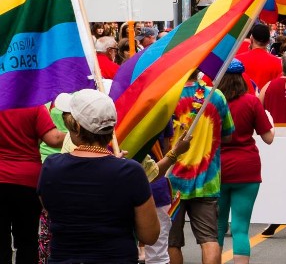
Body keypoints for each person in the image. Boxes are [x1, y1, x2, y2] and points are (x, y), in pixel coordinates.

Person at [37, 89, 160, 263]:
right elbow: (149, 235)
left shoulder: (52, 167)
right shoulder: (130, 173)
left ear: (77, 127)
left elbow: (51, 208)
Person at [168, 70, 235, 264]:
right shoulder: (216, 95)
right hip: (207, 180)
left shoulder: (168, 97)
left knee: (171, 242)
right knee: (209, 239)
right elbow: (228, 134)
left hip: (171, 182)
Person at [217, 61, 274, 264]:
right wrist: (270, 123)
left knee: (218, 227)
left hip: (219, 169)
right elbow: (268, 138)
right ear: (242, 78)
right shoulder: (251, 102)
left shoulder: (214, 101)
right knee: (241, 227)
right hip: (247, 168)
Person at [0, 103, 63, 264]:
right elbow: (53, 139)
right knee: (27, 240)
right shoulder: (34, 105)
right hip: (27, 183)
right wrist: (80, 134)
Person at [236, 24, 282, 92]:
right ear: (268, 41)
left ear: (251, 38)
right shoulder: (278, 63)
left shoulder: (237, 60)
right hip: (265, 101)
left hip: (243, 100)